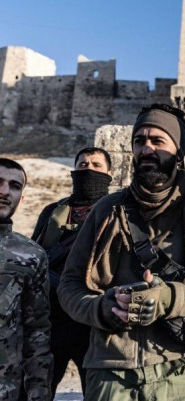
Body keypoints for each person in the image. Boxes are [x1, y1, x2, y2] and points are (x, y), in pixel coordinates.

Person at [57, 104, 185, 400]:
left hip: (183, 369)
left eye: (158, 141)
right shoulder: (107, 210)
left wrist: (170, 298)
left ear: (179, 152)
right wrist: (103, 309)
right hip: (111, 369)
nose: (146, 149)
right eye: (139, 141)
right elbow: (69, 286)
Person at [31, 147, 113, 398]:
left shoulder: (116, 212)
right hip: (52, 320)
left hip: (92, 322)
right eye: (83, 164)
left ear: (109, 174)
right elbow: (35, 256)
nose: (88, 169)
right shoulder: (53, 212)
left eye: (96, 165)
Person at [0, 158, 52, 401]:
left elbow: (37, 331)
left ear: (21, 198)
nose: (4, 191)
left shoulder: (31, 256)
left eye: (14, 186)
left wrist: (38, 393)